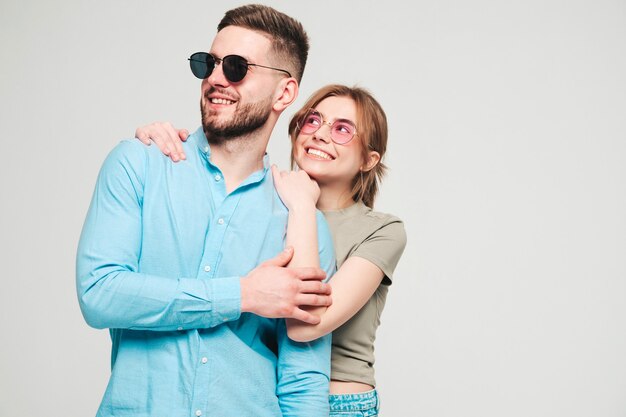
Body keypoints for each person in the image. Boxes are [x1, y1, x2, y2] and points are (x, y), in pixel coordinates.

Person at [76, 4, 337, 417]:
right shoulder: (139, 164)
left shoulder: (304, 223)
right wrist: (242, 295)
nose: (215, 78)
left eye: (236, 67)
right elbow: (99, 293)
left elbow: (303, 377)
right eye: (208, 63)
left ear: (284, 93)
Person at [136, 84, 407, 417]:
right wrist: (158, 144)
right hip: (263, 396)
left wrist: (304, 208)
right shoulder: (264, 199)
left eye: (342, 130)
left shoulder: (382, 231)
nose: (320, 134)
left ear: (369, 159)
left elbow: (306, 323)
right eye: (312, 121)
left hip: (339, 404)